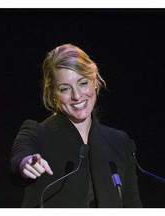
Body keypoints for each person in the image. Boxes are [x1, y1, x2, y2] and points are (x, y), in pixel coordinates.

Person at [9, 43, 142, 208]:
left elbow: (132, 205)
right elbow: (19, 159)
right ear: (52, 94)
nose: (77, 96)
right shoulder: (37, 132)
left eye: (83, 83)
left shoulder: (118, 141)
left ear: (94, 81)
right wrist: (26, 164)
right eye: (65, 89)